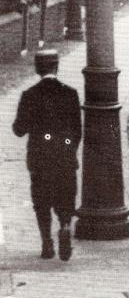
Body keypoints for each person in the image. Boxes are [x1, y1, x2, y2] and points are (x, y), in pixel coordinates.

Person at [12, 49, 82, 261]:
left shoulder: (29, 95)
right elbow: (77, 130)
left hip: (39, 158)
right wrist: (68, 147)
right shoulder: (70, 93)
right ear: (56, 66)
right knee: (66, 195)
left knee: (41, 200)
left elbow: (19, 129)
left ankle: (47, 244)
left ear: (37, 69)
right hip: (65, 157)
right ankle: (65, 226)